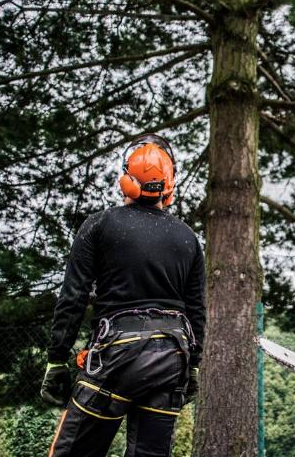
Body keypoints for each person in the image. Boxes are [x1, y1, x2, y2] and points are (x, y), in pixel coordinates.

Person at [40, 133, 206, 457]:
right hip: (172, 360)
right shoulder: (188, 238)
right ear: (169, 186)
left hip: (115, 357)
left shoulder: (99, 225)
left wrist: (57, 359)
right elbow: (197, 310)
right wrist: (194, 367)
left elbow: (73, 296)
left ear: (126, 181)